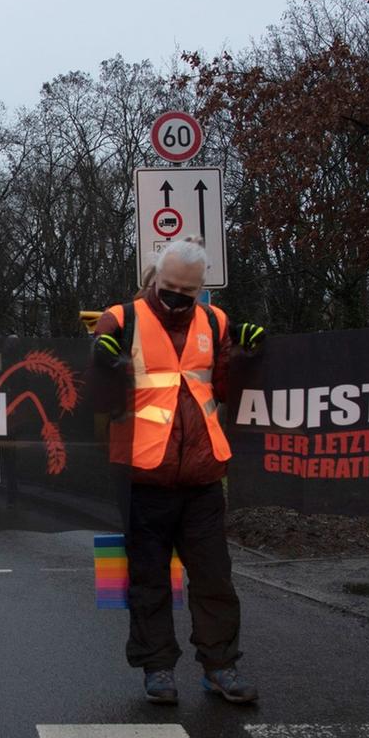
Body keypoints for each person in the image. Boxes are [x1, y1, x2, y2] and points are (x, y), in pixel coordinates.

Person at [92, 238, 265, 705]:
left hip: (203, 475)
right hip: (141, 477)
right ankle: (158, 669)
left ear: (200, 289)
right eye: (168, 287)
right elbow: (97, 402)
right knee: (149, 579)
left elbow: (226, 389)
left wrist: (245, 355)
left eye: (187, 292)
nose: (175, 298)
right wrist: (103, 366)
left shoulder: (215, 320)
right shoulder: (121, 319)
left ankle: (220, 667)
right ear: (153, 278)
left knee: (214, 578)